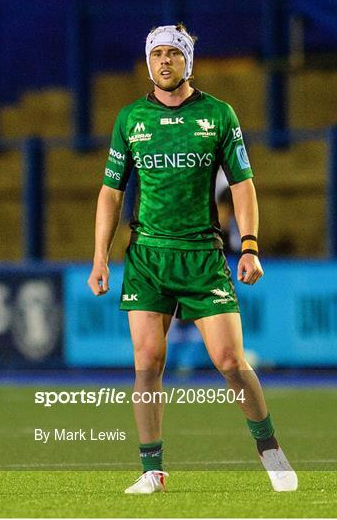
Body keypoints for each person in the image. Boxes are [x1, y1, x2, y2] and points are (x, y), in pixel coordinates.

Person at [88, 24, 298, 494]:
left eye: (173, 54)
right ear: (148, 62)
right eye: (156, 54)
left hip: (202, 256)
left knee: (228, 360)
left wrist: (249, 245)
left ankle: (269, 448)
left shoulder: (218, 115)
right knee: (148, 362)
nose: (164, 62)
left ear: (187, 61)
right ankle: (152, 471)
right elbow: (110, 193)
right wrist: (100, 258)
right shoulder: (130, 119)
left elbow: (243, 184)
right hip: (147, 256)